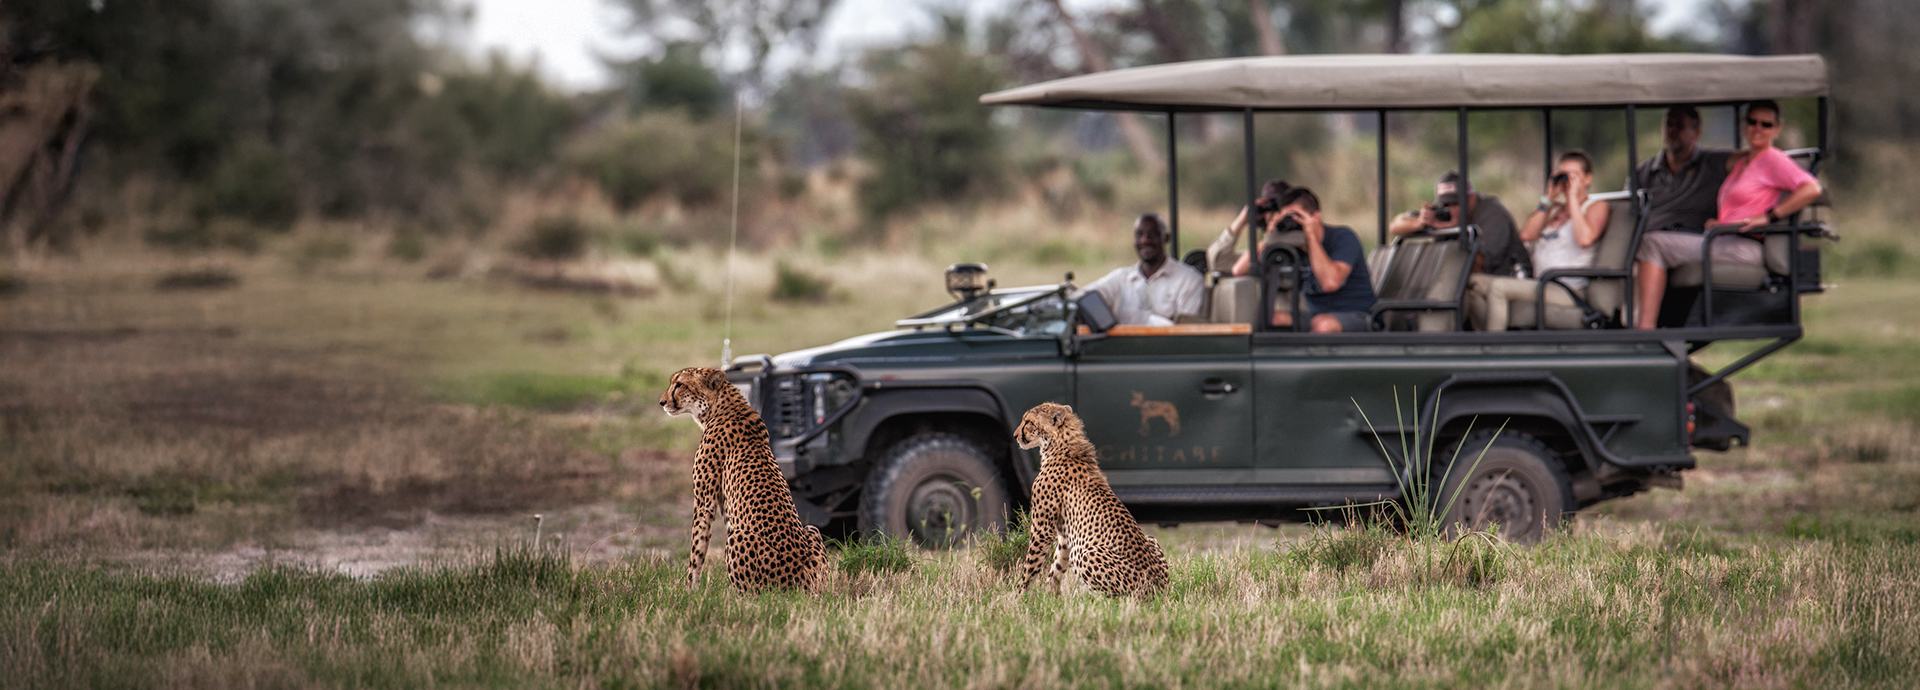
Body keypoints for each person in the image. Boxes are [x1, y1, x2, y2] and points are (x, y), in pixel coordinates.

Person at [1633, 100, 1822, 329]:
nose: (1758, 129)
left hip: (1746, 247)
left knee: (1652, 244)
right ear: (1744, 125)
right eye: (1752, 122)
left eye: (1766, 124)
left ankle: (1644, 331)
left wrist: (1769, 216)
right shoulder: (1743, 163)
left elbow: (1811, 188)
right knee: (1646, 246)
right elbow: (1744, 204)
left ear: (1776, 129)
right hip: (1725, 238)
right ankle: (1638, 323)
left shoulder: (1772, 159)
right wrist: (1722, 223)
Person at [1466, 150, 1611, 331]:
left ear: (1587, 178)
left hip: (1567, 288)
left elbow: (1584, 239)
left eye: (1572, 175)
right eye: (1562, 175)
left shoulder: (1596, 207)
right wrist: (1549, 198)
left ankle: (1496, 348)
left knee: (1498, 287)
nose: (1567, 181)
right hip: (1540, 282)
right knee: (1474, 283)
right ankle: (1482, 339)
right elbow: (1526, 235)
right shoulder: (1554, 209)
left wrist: (1573, 198)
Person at [1229, 187, 1375, 332]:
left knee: (1322, 325)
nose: (1293, 222)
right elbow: (1238, 271)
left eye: (1296, 216)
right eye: (1286, 217)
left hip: (1359, 316)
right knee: (1274, 320)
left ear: (1315, 217)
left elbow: (1330, 283)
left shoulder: (1343, 237)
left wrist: (1311, 238)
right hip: (1316, 316)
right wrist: (1270, 236)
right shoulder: (1294, 245)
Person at [1388, 172, 1531, 278]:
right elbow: (1395, 225)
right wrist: (1419, 223)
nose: (1449, 209)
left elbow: (1479, 264)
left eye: (1456, 204)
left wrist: (1453, 231)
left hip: (1505, 276)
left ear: (1472, 199)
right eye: (1445, 204)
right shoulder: (1442, 213)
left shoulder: (1493, 213)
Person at [1083, 213, 1204, 326]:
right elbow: (1086, 296)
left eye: (1152, 235)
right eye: (1139, 235)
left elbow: (1187, 335)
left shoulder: (1189, 280)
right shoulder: (1121, 279)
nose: (1145, 240)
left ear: (1166, 238)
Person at [1205, 178, 1291, 274]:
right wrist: (1242, 218)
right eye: (1272, 208)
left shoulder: (1306, 242)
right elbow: (1219, 263)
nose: (1277, 215)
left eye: (1282, 209)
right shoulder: (1260, 251)